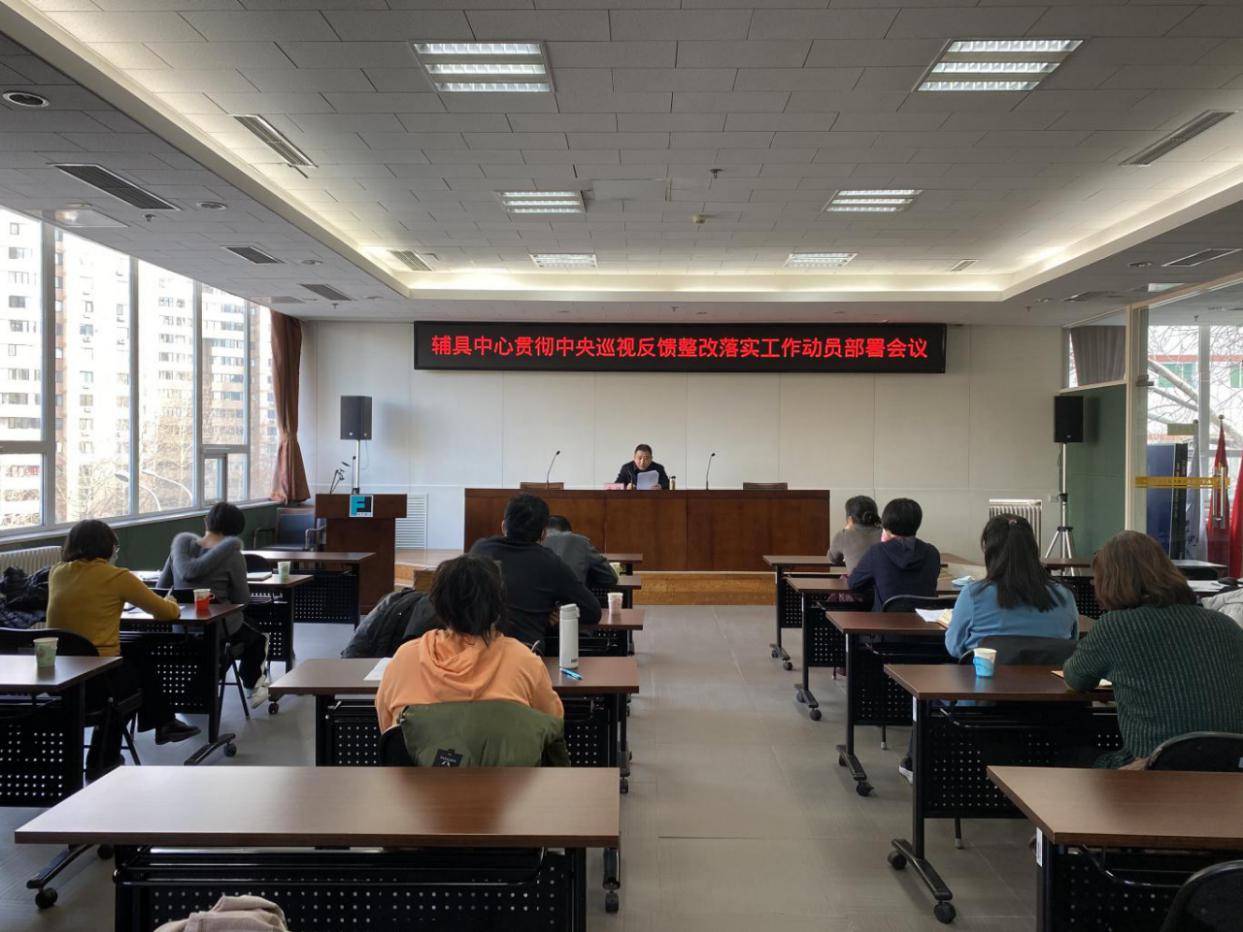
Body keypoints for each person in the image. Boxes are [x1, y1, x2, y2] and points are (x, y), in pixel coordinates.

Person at [1063, 531, 1243, 768]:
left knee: (1068, 755)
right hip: (1228, 769)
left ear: (1109, 583)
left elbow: (1075, 678)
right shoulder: (1226, 624)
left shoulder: (1117, 626)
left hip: (1150, 768)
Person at [46, 520, 200, 779]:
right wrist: (171, 600)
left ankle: (164, 722)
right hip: (99, 678)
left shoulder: (57, 572)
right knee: (135, 678)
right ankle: (103, 759)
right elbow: (165, 612)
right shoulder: (118, 577)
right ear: (108, 548)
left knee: (137, 649)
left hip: (61, 672)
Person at [375, 554, 563, 734]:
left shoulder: (405, 659)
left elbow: (388, 729)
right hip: (504, 758)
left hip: (421, 758)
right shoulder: (524, 662)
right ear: (498, 604)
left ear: (438, 604)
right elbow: (553, 726)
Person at [157, 502, 270, 708]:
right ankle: (253, 686)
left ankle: (203, 684)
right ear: (236, 530)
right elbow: (241, 599)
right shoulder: (233, 556)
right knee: (258, 636)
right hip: (219, 630)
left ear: (206, 522)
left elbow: (161, 589)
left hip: (180, 629)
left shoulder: (179, 553)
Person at [469, 494, 602, 648]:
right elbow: (593, 611)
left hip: (477, 650)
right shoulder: (550, 562)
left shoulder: (480, 549)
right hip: (526, 652)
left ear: (504, 526)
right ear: (543, 534)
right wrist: (553, 612)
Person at [943, 514, 1079, 659]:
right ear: (1033, 548)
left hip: (987, 673)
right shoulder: (1064, 595)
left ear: (989, 550)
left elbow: (954, 647)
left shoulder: (973, 595)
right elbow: (1071, 642)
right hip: (1050, 674)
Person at [847, 498, 941, 611]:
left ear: (886, 523)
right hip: (923, 619)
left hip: (884, 620)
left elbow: (854, 584)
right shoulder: (932, 552)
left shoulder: (877, 552)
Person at [543, 514, 618, 589]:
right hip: (574, 595)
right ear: (569, 532)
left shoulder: (537, 543)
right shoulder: (580, 541)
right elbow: (609, 578)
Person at [827, 495, 883, 572]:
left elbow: (833, 559)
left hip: (857, 579)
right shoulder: (886, 533)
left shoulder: (843, 535)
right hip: (884, 579)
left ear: (850, 518)